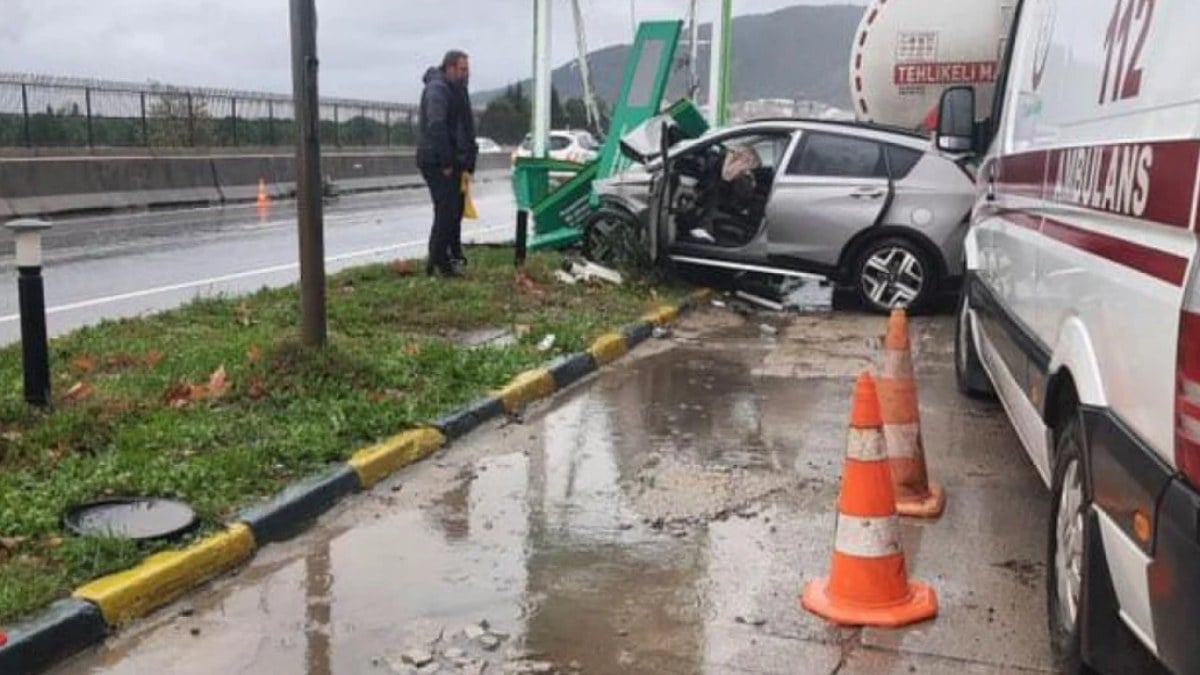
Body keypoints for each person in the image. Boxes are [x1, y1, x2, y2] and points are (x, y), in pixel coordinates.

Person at [417, 50, 478, 277]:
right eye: (463, 69)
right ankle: (437, 262)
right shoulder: (438, 89)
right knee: (446, 211)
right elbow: (436, 125)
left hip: (450, 159)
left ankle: (443, 258)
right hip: (435, 160)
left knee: (451, 211)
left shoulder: (455, 89)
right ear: (450, 67)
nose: (467, 74)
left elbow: (464, 126)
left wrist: (467, 158)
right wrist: (446, 161)